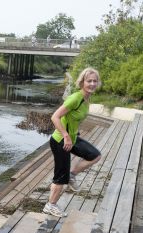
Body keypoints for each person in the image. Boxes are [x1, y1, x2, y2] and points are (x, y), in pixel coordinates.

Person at [43, 67, 103, 218]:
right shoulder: (75, 98)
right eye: (89, 81)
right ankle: (50, 205)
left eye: (95, 81)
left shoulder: (87, 98)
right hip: (60, 141)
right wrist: (66, 136)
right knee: (60, 177)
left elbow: (72, 119)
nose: (92, 84)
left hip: (72, 138)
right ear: (82, 82)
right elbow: (55, 117)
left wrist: (73, 134)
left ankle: (72, 175)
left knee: (95, 155)